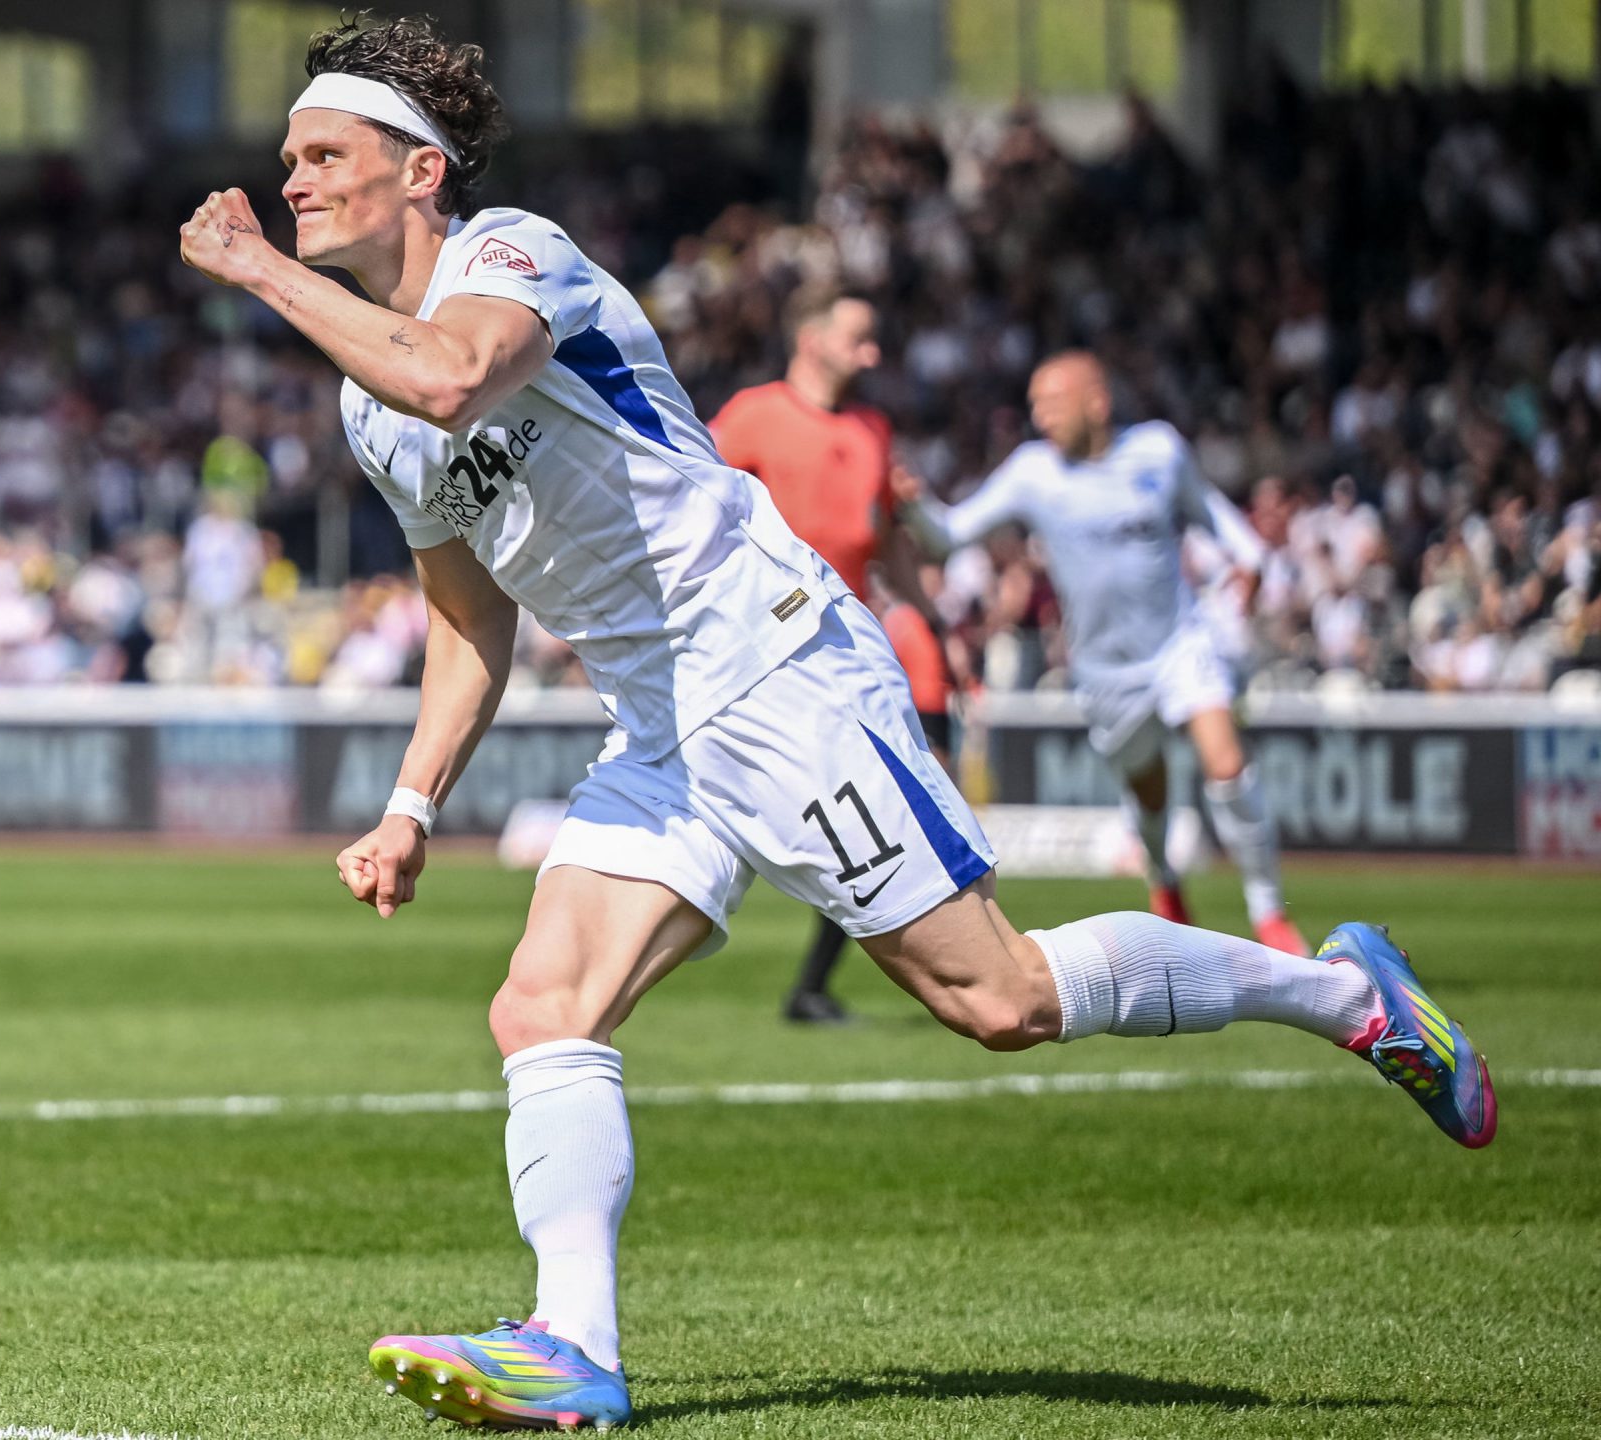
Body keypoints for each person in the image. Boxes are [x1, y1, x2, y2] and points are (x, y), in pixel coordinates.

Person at [176, 17, 1495, 1432]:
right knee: (542, 1006)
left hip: (777, 671)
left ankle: (1354, 1000)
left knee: (999, 1000)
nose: (293, 180)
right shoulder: (367, 411)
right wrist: (411, 805)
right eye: (287, 161)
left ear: (421, 168)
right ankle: (573, 1348)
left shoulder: (513, 254)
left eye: (325, 154)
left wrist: (252, 266)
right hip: (663, 721)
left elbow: (452, 373)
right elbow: (466, 621)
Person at [893, 353, 1308, 955]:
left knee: (1225, 763)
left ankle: (1269, 914)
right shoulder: (1033, 472)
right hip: (1106, 672)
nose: (1040, 417)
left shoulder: (1159, 452)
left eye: (1052, 403)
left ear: (1097, 402)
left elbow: (1210, 511)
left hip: (1178, 644)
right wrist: (914, 506)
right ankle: (1164, 881)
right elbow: (952, 534)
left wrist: (1250, 560)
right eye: (1035, 405)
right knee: (1150, 791)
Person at [706, 287, 949, 1024]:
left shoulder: (874, 428)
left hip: (850, 643)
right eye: (859, 337)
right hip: (763, 648)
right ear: (811, 340)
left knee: (881, 808)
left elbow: (889, 544)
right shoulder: (752, 415)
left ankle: (814, 984)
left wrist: (932, 625)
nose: (871, 353)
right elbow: (690, 503)